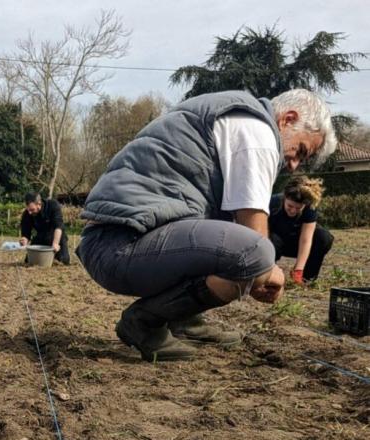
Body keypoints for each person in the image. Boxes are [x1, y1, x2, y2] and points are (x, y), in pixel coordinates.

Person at [76, 89, 336, 361]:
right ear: (288, 119)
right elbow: (252, 230)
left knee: (225, 241)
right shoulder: (257, 130)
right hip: (119, 246)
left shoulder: (231, 116)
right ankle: (143, 322)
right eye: (301, 151)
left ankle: (184, 321)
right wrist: (268, 273)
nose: (294, 165)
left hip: (113, 241)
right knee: (256, 253)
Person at [268, 176, 333, 284]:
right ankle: (266, 273)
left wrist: (298, 270)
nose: (293, 211)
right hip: (274, 243)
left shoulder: (310, 207)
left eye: (298, 208)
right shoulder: (272, 203)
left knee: (323, 237)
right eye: (290, 206)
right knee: (270, 240)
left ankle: (306, 278)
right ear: (285, 197)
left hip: (296, 244)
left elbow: (306, 240)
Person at [20, 192, 70, 265]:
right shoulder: (27, 213)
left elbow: (58, 226)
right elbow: (26, 232)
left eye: (32, 209)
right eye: (28, 210)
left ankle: (55, 257)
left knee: (64, 261)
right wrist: (24, 239)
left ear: (39, 204)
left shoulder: (53, 205)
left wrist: (55, 243)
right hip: (41, 236)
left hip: (56, 236)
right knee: (29, 261)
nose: (30, 212)